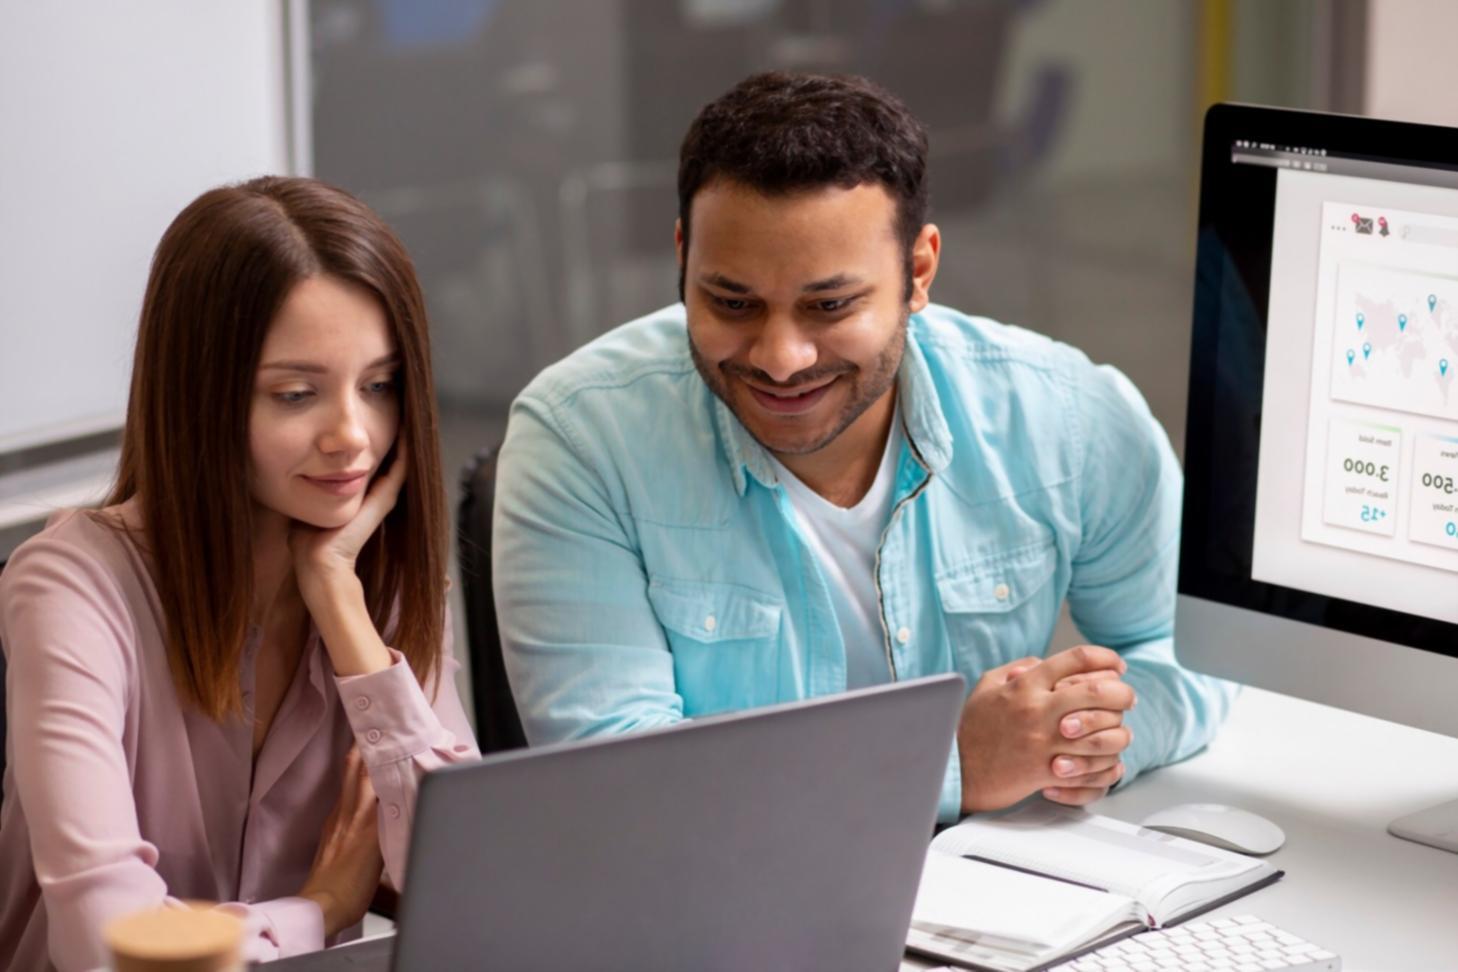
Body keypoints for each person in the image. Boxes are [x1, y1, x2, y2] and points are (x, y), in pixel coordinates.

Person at [493, 72, 1235, 822]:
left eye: (829, 306)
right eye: (732, 302)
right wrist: (955, 768)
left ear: (918, 273)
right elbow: (617, 783)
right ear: (682, 256)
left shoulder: (1067, 414)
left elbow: (1195, 654)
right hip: (720, 914)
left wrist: (1082, 740)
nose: (780, 357)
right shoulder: (579, 436)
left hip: (1007, 900)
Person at [0, 176, 479, 970]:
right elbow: (111, 950)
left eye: (380, 386)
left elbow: (473, 892)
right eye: (296, 395)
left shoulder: (371, 580)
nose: (354, 437)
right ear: (200, 398)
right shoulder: (70, 588)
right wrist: (321, 908)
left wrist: (342, 608)